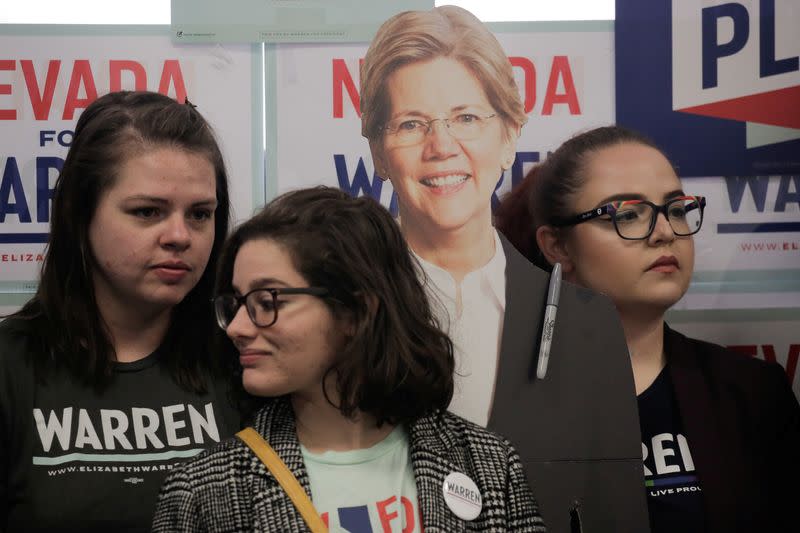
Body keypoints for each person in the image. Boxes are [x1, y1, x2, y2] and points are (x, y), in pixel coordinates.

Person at [361, 6, 648, 532]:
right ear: (379, 151)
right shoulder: (337, 314)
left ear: (510, 135)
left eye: (467, 118)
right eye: (411, 124)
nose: (441, 146)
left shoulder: (589, 327)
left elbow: (617, 514)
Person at [151, 187, 545, 532]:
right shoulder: (205, 490)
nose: (236, 326)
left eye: (266, 301)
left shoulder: (489, 467)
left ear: (356, 313)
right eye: (235, 303)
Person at [496, 125, 800, 533]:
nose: (664, 232)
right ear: (558, 246)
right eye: (627, 214)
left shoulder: (751, 391)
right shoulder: (497, 399)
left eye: (676, 209)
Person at [0, 91, 240, 532]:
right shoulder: (11, 365)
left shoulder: (244, 360)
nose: (179, 236)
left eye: (200, 214)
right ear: (80, 214)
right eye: (148, 211)